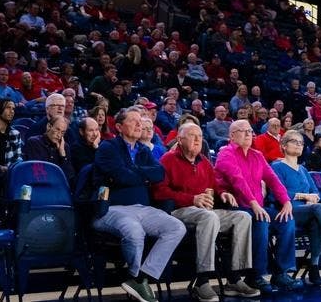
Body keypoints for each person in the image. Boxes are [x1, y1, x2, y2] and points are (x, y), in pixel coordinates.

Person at [153, 122, 259, 301]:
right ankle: (201, 281)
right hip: (179, 212)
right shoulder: (167, 160)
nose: (197, 139)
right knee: (209, 217)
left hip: (205, 211)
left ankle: (234, 278)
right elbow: (159, 192)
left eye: (200, 136)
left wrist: (223, 193)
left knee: (243, 217)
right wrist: (192, 199)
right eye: (192, 136)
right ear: (179, 139)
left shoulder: (204, 161)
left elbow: (215, 186)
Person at [92, 106, 186, 302]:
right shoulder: (107, 147)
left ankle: (141, 278)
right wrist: (143, 176)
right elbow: (120, 176)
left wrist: (134, 171)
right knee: (134, 231)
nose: (139, 124)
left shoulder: (143, 149)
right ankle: (136, 279)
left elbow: (159, 174)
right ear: (118, 126)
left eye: (140, 121)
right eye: (133, 121)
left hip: (143, 208)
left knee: (176, 227)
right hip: (112, 209)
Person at [215, 120, 302, 294]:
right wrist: (254, 203)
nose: (248, 134)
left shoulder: (257, 155)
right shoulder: (226, 153)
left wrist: (286, 202)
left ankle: (281, 272)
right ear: (232, 136)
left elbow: (273, 180)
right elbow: (237, 180)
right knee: (260, 221)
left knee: (286, 220)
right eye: (243, 131)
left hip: (257, 207)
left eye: (250, 131)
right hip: (237, 208)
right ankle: (255, 274)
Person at [274, 130, 321, 286]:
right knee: (318, 209)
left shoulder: (302, 169)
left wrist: (312, 198)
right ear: (283, 145)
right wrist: (305, 197)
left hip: (308, 210)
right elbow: (279, 192)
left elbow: (315, 191)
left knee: (317, 220)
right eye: (294, 142)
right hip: (287, 210)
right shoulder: (276, 166)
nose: (299, 145)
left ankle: (313, 266)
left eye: (301, 143)